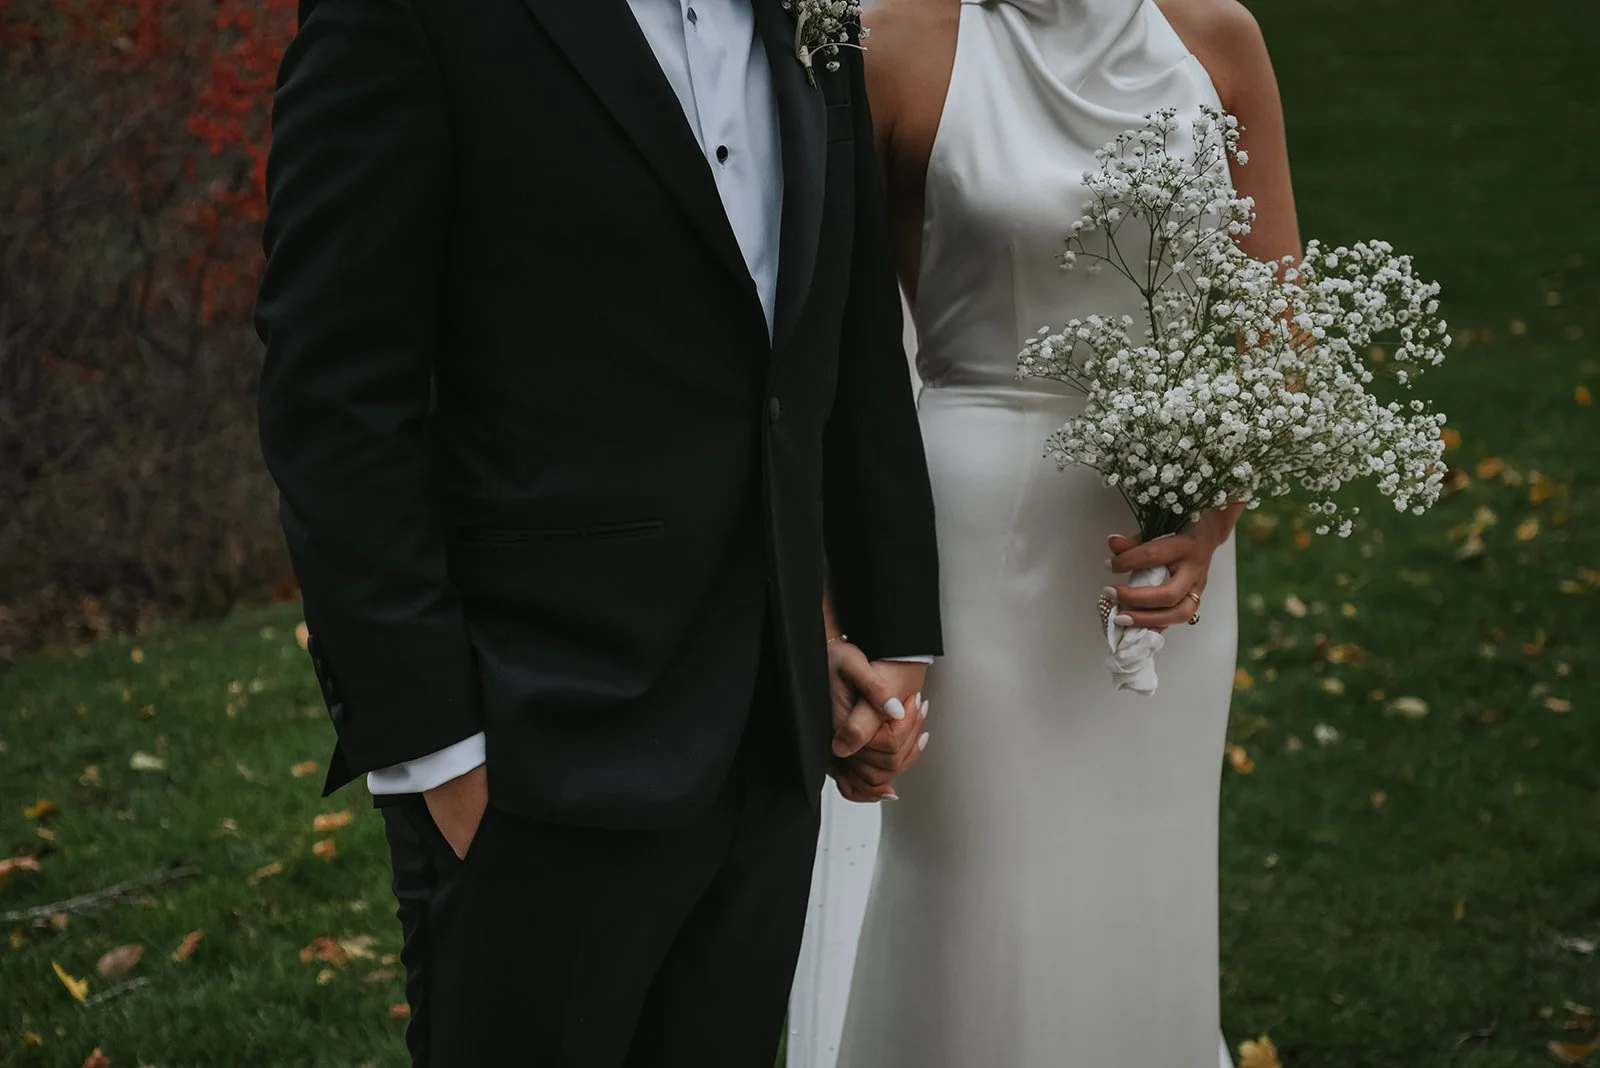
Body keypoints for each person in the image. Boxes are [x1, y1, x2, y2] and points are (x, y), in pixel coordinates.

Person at [252, 0, 942, 1063]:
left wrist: (884, 635)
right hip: (536, 746)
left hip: (769, 741)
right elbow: (333, 393)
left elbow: (841, 330)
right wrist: (437, 749)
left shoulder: (809, 12)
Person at [790, 0, 1303, 1064]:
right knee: (979, 890)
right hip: (971, 535)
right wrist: (841, 603)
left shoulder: (1216, 37)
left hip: (1168, 549)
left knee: (1146, 878)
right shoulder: (891, 44)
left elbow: (1276, 326)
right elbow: (827, 359)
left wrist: (1210, 514)